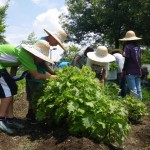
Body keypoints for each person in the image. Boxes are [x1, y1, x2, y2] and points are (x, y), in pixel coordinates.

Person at [0, 40, 57, 135]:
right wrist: (54, 77)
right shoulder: (27, 56)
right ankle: (1, 119)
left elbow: (14, 64)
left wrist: (12, 78)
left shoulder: (23, 53)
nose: (42, 61)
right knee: (7, 92)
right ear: (37, 54)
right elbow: (37, 76)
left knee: (11, 89)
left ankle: (10, 118)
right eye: (42, 58)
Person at [25, 28, 67, 122]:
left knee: (32, 95)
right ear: (52, 37)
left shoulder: (41, 40)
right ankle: (35, 117)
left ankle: (31, 114)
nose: (56, 44)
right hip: (36, 74)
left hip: (33, 73)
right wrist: (52, 74)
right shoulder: (43, 43)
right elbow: (41, 63)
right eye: (57, 42)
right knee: (37, 95)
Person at [119, 30, 142, 100]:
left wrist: (123, 70)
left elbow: (127, 60)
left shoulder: (127, 47)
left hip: (130, 71)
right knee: (138, 89)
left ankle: (135, 106)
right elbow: (140, 60)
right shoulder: (139, 47)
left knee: (133, 89)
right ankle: (140, 105)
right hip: (138, 70)